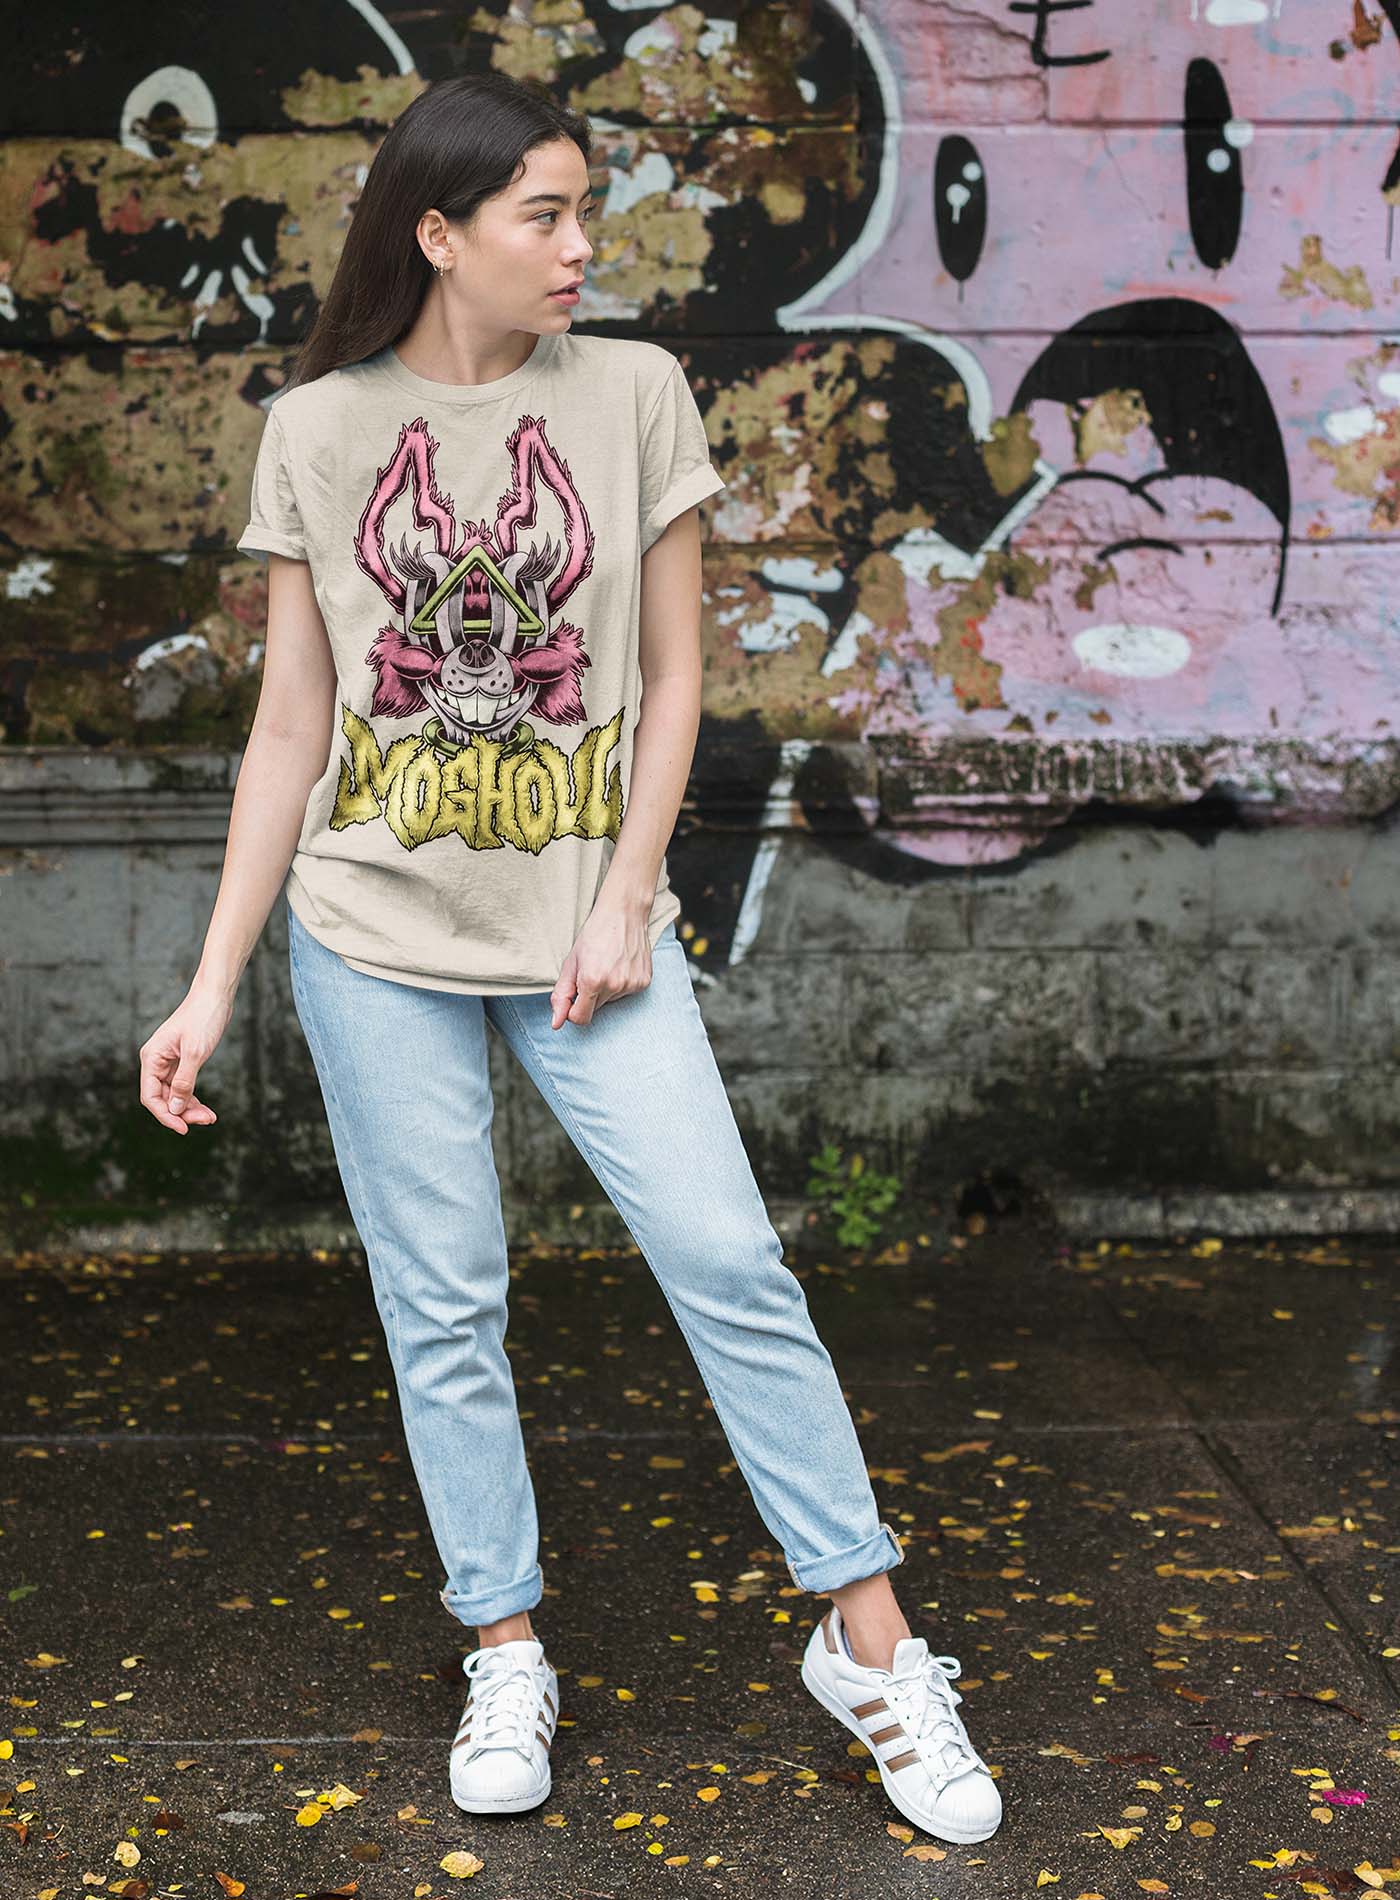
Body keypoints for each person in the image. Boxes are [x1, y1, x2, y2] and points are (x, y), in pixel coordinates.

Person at [135, 69, 1001, 1846]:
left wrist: (628, 889)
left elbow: (678, 675)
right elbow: (291, 732)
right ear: (438, 234)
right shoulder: (320, 429)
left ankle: (872, 1641)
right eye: (543, 213)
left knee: (729, 1258)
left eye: (584, 210)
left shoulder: (632, 396)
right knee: (443, 1307)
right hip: (373, 935)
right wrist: (212, 982)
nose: (579, 245)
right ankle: (502, 1640)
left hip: (590, 940)